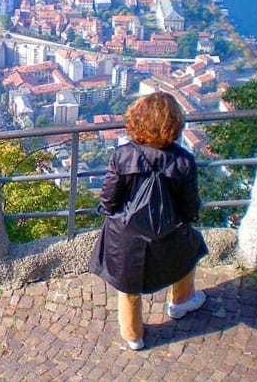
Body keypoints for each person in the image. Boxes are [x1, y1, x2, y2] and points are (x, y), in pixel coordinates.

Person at [88, 92, 208, 351]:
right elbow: (189, 206)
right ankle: (181, 301)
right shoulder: (184, 161)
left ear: (136, 120)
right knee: (189, 250)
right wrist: (183, 222)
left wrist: (112, 215)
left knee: (128, 285)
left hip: (127, 235)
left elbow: (109, 199)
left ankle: (133, 336)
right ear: (174, 124)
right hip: (170, 232)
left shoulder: (122, 155)